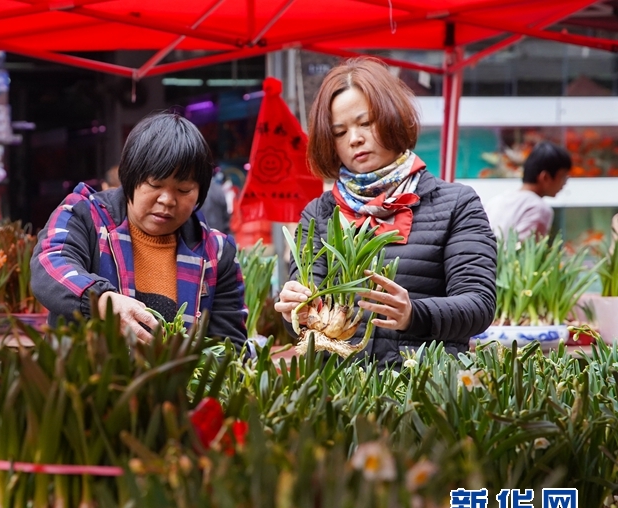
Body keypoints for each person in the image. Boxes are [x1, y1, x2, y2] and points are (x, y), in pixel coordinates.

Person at [274, 57, 497, 367]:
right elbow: (305, 313)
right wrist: (294, 311)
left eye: (366, 123)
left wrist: (413, 314)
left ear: (392, 117)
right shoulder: (319, 214)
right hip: (339, 394)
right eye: (339, 132)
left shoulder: (456, 204)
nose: (355, 139)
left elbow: (479, 304)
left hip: (424, 391)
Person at [31, 112, 248, 348]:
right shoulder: (83, 215)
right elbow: (50, 263)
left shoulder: (216, 253)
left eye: (183, 190)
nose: (167, 200)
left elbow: (229, 347)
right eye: (155, 185)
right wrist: (102, 302)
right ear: (129, 177)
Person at [484, 141, 572, 240]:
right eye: (563, 177)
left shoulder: (497, 200)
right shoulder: (539, 208)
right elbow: (524, 251)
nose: (565, 184)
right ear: (545, 177)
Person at [200, 170, 232, 235]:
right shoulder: (219, 190)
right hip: (219, 233)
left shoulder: (198, 191)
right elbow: (226, 216)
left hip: (203, 233)